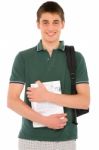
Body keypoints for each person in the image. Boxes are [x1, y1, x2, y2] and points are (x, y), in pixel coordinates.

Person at [7, 1, 90, 150]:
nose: (50, 28)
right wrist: (45, 120)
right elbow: (11, 100)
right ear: (38, 24)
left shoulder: (76, 58)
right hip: (29, 140)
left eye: (55, 22)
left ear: (63, 24)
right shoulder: (23, 57)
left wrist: (47, 96)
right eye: (45, 22)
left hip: (66, 140)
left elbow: (84, 101)